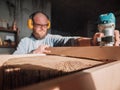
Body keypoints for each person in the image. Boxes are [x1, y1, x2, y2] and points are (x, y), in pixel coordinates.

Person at [13, 11, 120, 54]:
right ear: (31, 25)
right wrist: (34, 53)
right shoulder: (25, 42)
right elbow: (11, 60)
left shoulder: (52, 39)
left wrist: (92, 41)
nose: (43, 28)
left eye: (45, 25)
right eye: (38, 25)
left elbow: (71, 40)